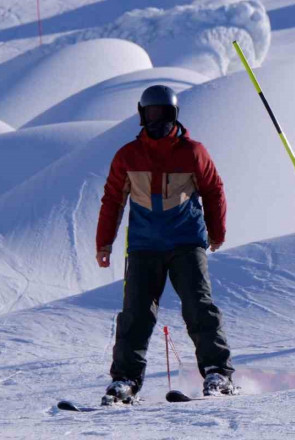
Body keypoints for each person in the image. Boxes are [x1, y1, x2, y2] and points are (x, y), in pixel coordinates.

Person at [95, 85, 236, 405]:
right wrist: (104, 243)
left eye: (164, 114)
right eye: (151, 114)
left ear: (174, 115)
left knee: (199, 306)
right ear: (143, 115)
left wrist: (217, 232)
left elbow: (213, 190)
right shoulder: (128, 155)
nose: (157, 120)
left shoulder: (193, 151)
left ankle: (217, 373)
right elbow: (113, 200)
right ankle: (125, 380)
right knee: (135, 314)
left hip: (186, 241)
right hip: (144, 246)